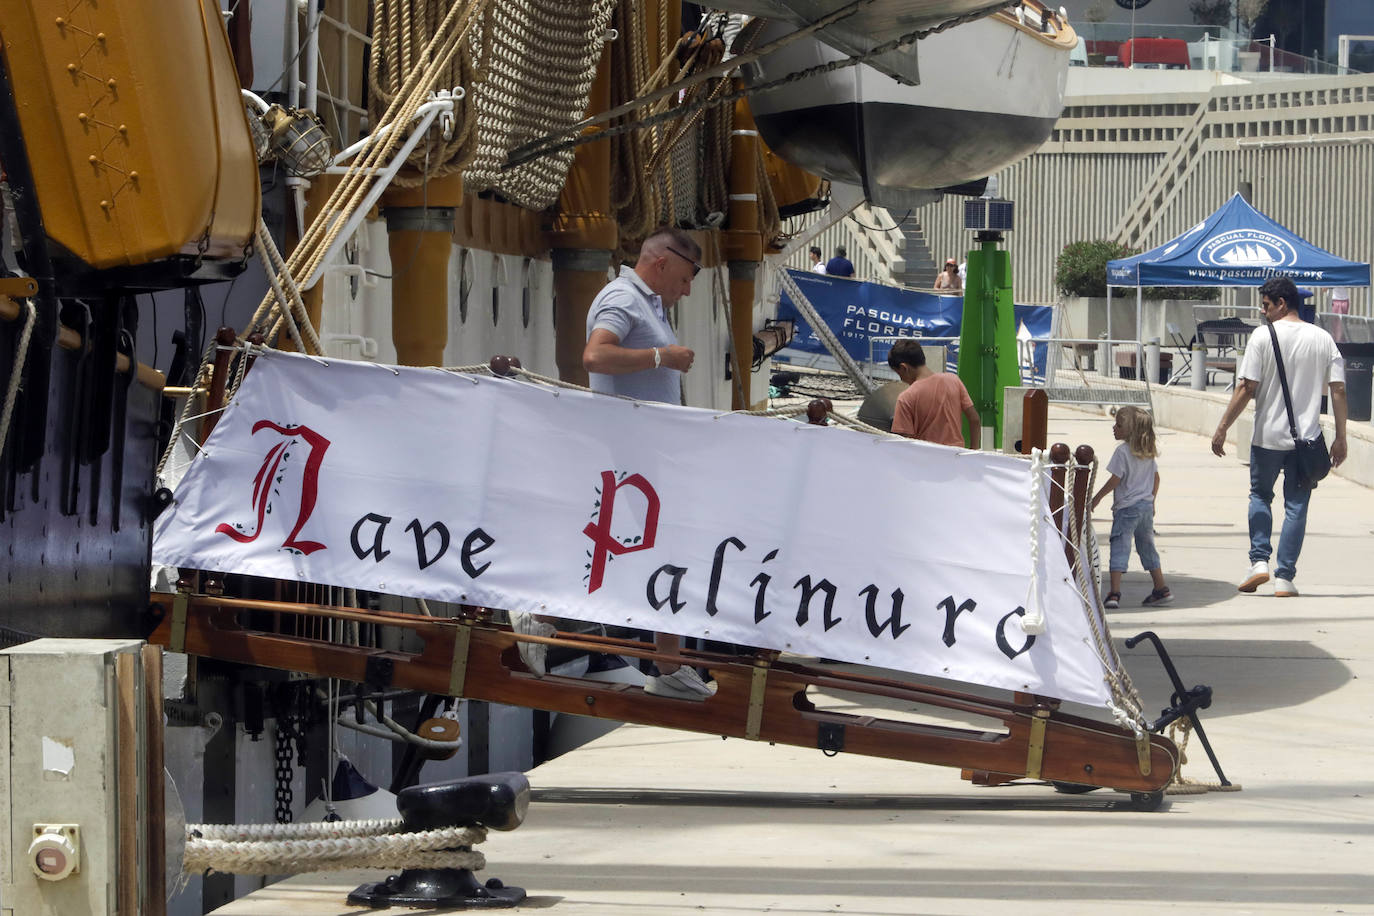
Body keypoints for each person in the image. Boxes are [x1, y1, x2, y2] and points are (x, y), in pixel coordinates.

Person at [511, 226, 714, 701]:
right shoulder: (623, 297)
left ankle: (667, 664)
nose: (686, 291)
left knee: (663, 549)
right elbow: (595, 356)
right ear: (661, 263)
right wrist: (662, 355)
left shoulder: (653, 303)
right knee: (616, 545)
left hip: (646, 454)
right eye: (684, 279)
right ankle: (537, 613)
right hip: (625, 456)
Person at [1210, 276, 1348, 598]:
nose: (1263, 311)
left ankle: (1259, 562)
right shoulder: (1323, 338)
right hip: (1307, 440)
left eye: (1266, 304)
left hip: (1268, 438)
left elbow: (1246, 387)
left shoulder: (1262, 337)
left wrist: (1222, 427)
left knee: (1260, 496)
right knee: (1297, 506)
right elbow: (1338, 389)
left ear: (1282, 303)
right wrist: (1341, 437)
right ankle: (1284, 577)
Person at [1090, 407, 1171, 608]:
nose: (1114, 428)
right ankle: (1160, 588)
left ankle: (1114, 593)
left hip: (1127, 508)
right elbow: (1156, 478)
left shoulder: (1122, 452)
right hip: (1144, 507)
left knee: (1120, 545)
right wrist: (1152, 501)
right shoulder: (1147, 451)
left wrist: (1097, 498)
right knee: (1147, 546)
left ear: (1130, 430)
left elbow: (1115, 480)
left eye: (1119, 425)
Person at [887, 339, 981, 448]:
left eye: (899, 374)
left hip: (927, 460)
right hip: (956, 457)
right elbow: (975, 419)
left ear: (904, 368)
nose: (901, 379)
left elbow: (905, 443)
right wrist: (974, 450)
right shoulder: (954, 380)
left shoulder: (906, 398)